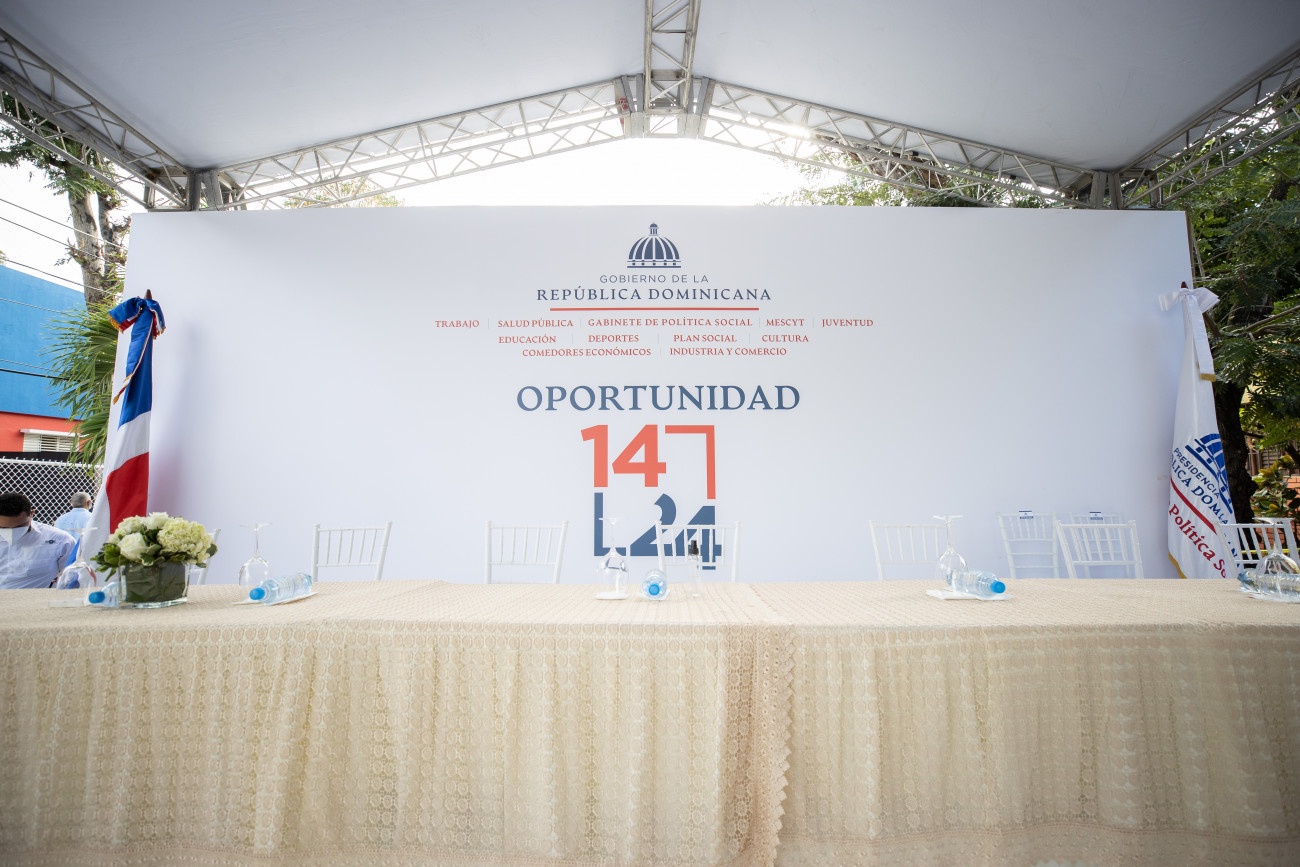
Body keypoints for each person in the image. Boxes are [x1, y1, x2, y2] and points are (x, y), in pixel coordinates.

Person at [0, 492, 76, 589]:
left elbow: (72, 577)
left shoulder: (60, 540)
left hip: (38, 596)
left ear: (31, 514)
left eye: (19, 527)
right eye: (3, 528)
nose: (11, 532)